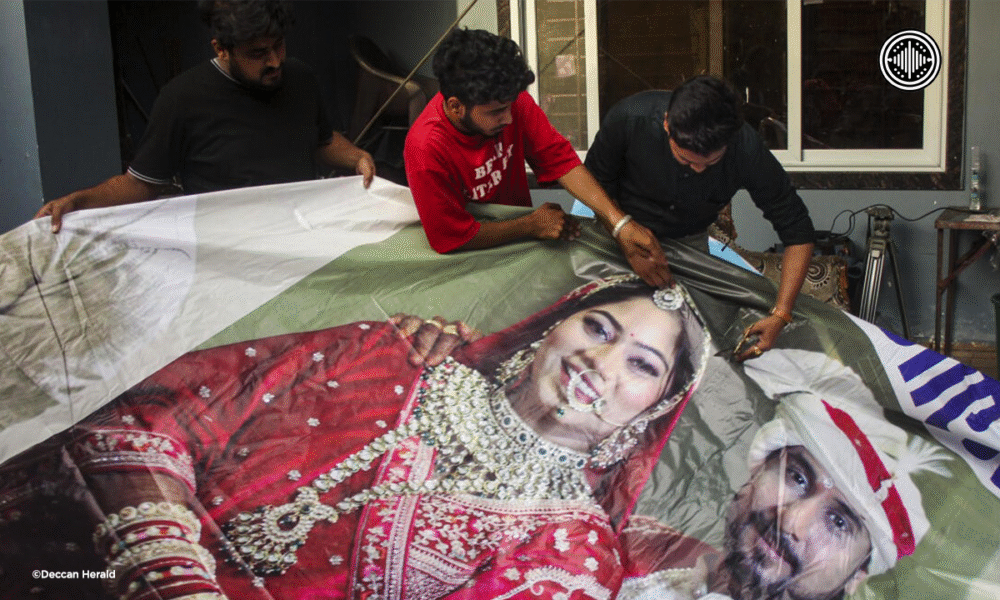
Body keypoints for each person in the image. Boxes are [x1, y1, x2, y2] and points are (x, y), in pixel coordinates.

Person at [0, 276, 710, 599]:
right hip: (80, 570)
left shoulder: (571, 551)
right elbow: (157, 415)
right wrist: (170, 574)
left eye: (642, 365)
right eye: (598, 327)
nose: (600, 361)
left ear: (652, 411)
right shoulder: (394, 354)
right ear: (552, 328)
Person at [35, 0, 376, 234]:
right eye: (258, 53)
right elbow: (140, 183)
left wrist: (356, 157)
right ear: (221, 49)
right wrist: (79, 201)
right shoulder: (182, 99)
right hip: (226, 250)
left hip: (299, 232)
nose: (274, 61)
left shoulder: (300, 78)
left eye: (279, 45)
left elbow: (322, 141)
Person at [404, 28, 672, 288]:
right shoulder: (425, 149)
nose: (509, 119)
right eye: (496, 112)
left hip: (521, 250)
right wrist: (530, 225)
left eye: (510, 107)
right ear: (455, 106)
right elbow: (452, 238)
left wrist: (620, 225)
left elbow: (561, 161)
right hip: (467, 265)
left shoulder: (508, 100)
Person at [618, 393, 951, 600]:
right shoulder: (634, 550)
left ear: (856, 576)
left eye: (838, 522)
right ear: (755, 474)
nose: (791, 521)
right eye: (797, 477)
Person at [584, 75, 817, 360]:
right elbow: (591, 188)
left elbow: (798, 231)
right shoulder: (630, 118)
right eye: (685, 159)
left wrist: (781, 314)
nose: (696, 170)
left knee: (700, 343)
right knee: (597, 326)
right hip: (613, 228)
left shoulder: (746, 148)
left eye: (710, 163)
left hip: (688, 242)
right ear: (667, 123)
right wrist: (622, 232)